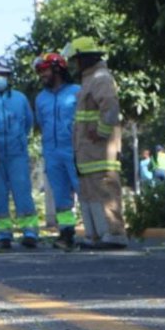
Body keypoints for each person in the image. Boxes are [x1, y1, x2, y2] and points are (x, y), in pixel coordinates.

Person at [63, 36, 127, 250]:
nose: (74, 65)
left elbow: (110, 108)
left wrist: (101, 132)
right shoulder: (89, 80)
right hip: (88, 152)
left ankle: (114, 233)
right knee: (90, 192)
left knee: (105, 190)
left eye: (76, 59)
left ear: (85, 58)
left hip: (101, 151)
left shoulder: (100, 78)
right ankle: (97, 235)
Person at [0, 55, 38, 249]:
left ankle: (30, 233)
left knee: (23, 194)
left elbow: (28, 123)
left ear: (9, 77)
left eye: (2, 74)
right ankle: (3, 235)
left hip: (17, 155)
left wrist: (19, 143)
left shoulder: (20, 99)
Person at [33, 52, 81, 249]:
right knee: (61, 197)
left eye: (44, 71)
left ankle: (95, 232)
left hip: (74, 150)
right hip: (52, 153)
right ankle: (66, 233)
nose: (41, 76)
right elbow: (40, 123)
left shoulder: (77, 92)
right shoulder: (41, 98)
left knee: (84, 190)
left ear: (57, 69)